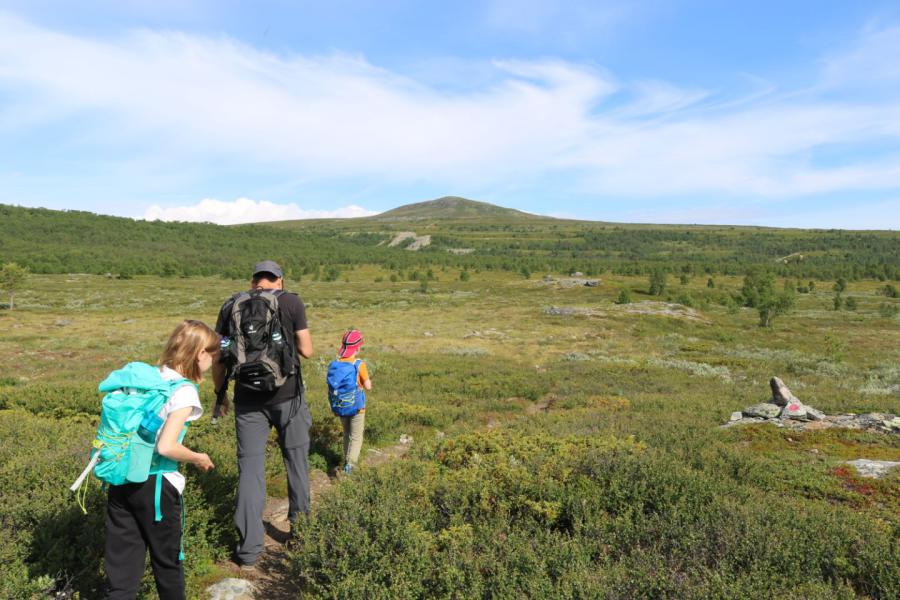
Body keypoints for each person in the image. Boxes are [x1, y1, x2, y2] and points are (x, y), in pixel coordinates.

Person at [105, 320, 217, 600]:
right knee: (167, 562)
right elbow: (166, 447)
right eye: (212, 353)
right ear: (200, 353)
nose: (214, 360)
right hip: (156, 485)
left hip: (120, 478)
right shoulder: (183, 391)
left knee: (122, 568)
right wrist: (198, 457)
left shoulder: (149, 378)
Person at [212, 260, 313, 568]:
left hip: (246, 400)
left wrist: (220, 395)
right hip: (288, 396)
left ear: (253, 280)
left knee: (250, 472)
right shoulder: (291, 301)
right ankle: (302, 536)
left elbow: (219, 358)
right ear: (278, 281)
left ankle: (247, 552)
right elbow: (307, 351)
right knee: (296, 462)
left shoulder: (231, 305)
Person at [329, 329, 372, 474]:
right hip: (357, 407)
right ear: (358, 347)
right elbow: (368, 386)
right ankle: (350, 467)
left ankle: (346, 460)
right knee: (356, 437)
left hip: (341, 406)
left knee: (347, 433)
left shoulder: (335, 363)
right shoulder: (359, 364)